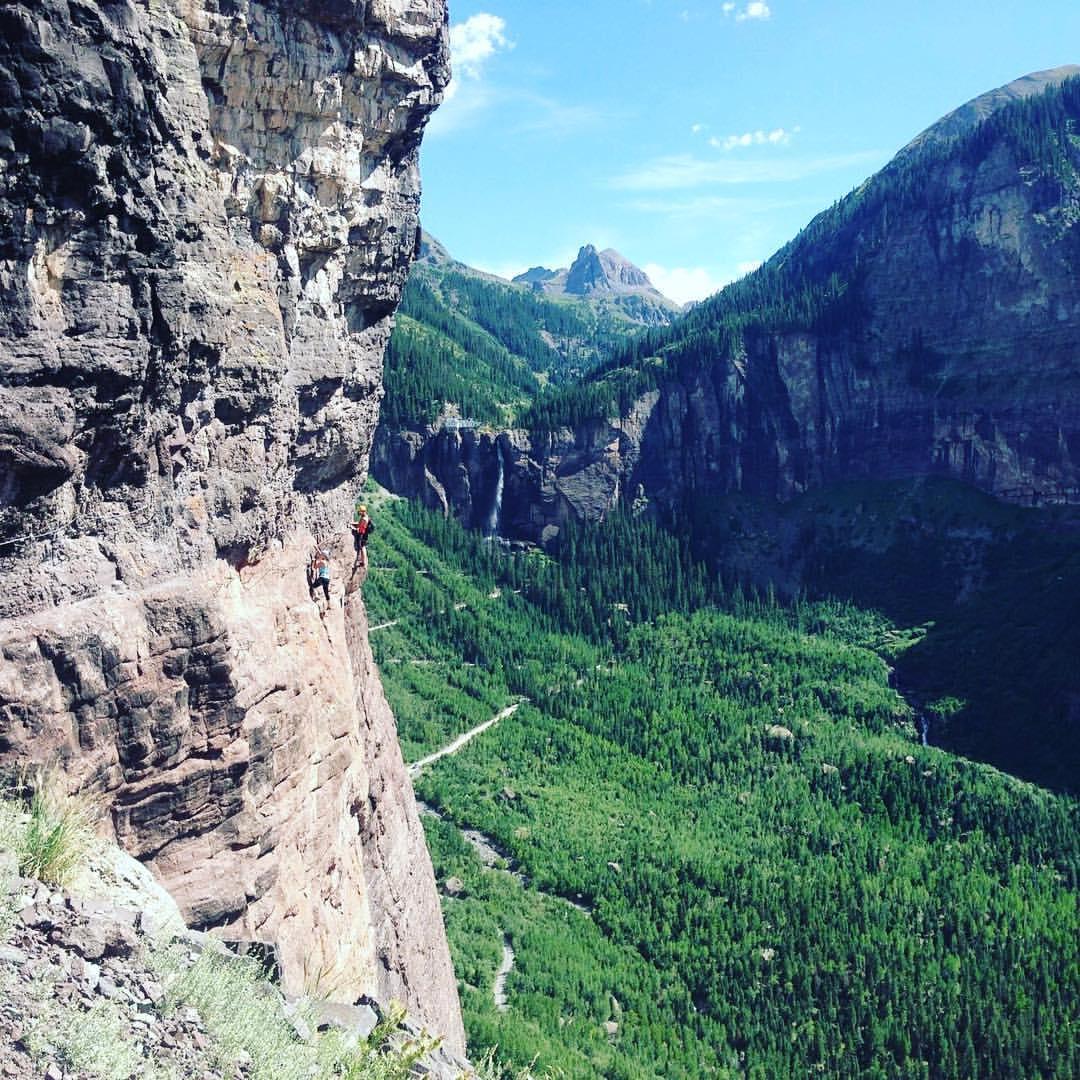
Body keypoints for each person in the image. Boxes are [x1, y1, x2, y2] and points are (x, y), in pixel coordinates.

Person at [350, 502, 374, 568]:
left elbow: (359, 527)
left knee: (362, 547)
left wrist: (353, 527)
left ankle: (362, 562)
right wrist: (352, 523)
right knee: (363, 547)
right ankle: (363, 561)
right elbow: (359, 524)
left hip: (362, 535)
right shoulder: (366, 517)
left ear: (363, 512)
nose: (359, 513)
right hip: (364, 534)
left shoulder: (364, 519)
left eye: (360, 512)